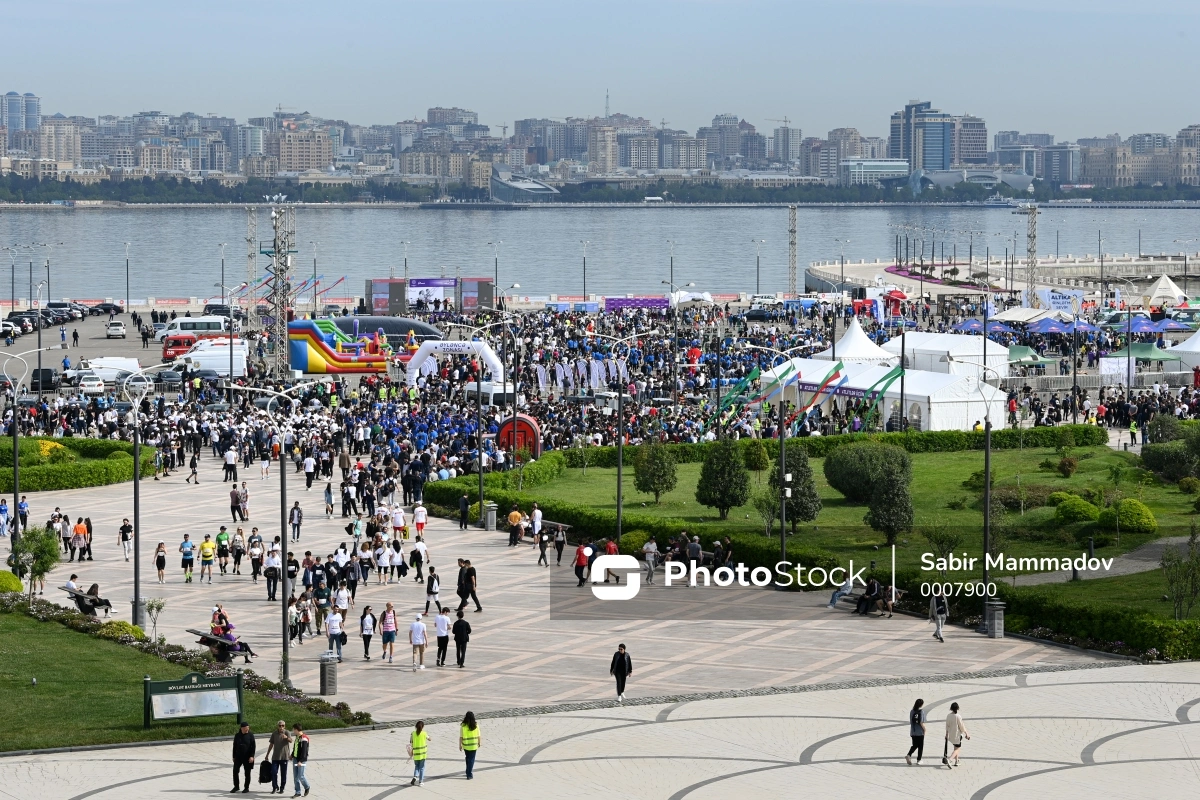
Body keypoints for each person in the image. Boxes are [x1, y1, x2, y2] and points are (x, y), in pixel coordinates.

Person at [232, 720, 256, 793]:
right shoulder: (237, 735)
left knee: (247, 773)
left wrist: (252, 756)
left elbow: (253, 746)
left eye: (248, 728)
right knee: (235, 771)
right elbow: (234, 746)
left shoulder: (250, 735)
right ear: (242, 728)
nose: (247, 729)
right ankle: (236, 786)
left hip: (247, 757)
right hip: (238, 757)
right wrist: (234, 756)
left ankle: (246, 787)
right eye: (246, 728)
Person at [267, 720, 291, 795]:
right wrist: (267, 754)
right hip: (275, 757)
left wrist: (286, 738)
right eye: (280, 726)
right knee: (273, 772)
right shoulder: (274, 733)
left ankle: (282, 788)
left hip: (284, 757)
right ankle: (275, 787)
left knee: (283, 773)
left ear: (285, 726)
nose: (281, 727)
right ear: (278, 726)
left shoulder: (287, 732)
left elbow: (291, 740)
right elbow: (271, 744)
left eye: (283, 726)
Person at [943, 702, 970, 767]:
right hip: (957, 735)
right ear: (957, 708)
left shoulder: (948, 716)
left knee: (955, 747)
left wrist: (946, 734)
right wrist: (967, 733)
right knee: (957, 749)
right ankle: (950, 760)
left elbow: (947, 726)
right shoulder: (958, 716)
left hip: (951, 735)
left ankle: (957, 761)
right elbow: (962, 726)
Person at [458, 711, 480, 780]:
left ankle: (467, 771)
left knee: (467, 758)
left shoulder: (463, 726)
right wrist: (479, 743)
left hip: (466, 745)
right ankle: (469, 774)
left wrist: (460, 745)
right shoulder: (476, 725)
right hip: (473, 745)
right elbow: (479, 735)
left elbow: (461, 737)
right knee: (471, 759)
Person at [290, 722, 310, 796]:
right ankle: (297, 792)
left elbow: (304, 751)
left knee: (300, 776)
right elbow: (295, 748)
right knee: (295, 777)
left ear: (296, 729)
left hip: (301, 760)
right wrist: (292, 755)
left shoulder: (304, 738)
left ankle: (307, 786)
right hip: (295, 758)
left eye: (293, 729)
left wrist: (301, 761)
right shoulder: (297, 737)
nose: (293, 731)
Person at [408, 720, 429, 786]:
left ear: (416, 726)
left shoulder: (413, 733)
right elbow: (429, 738)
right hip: (422, 754)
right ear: (422, 727)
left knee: (416, 766)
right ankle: (421, 781)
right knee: (422, 767)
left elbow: (411, 742)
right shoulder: (424, 733)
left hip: (416, 753)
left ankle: (415, 776)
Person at [906, 698, 926, 766]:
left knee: (915, 745)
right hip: (920, 731)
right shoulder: (921, 712)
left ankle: (909, 755)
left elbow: (911, 721)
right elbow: (921, 722)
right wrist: (925, 729)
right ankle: (919, 760)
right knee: (920, 746)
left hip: (913, 731)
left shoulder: (912, 711)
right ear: (921, 705)